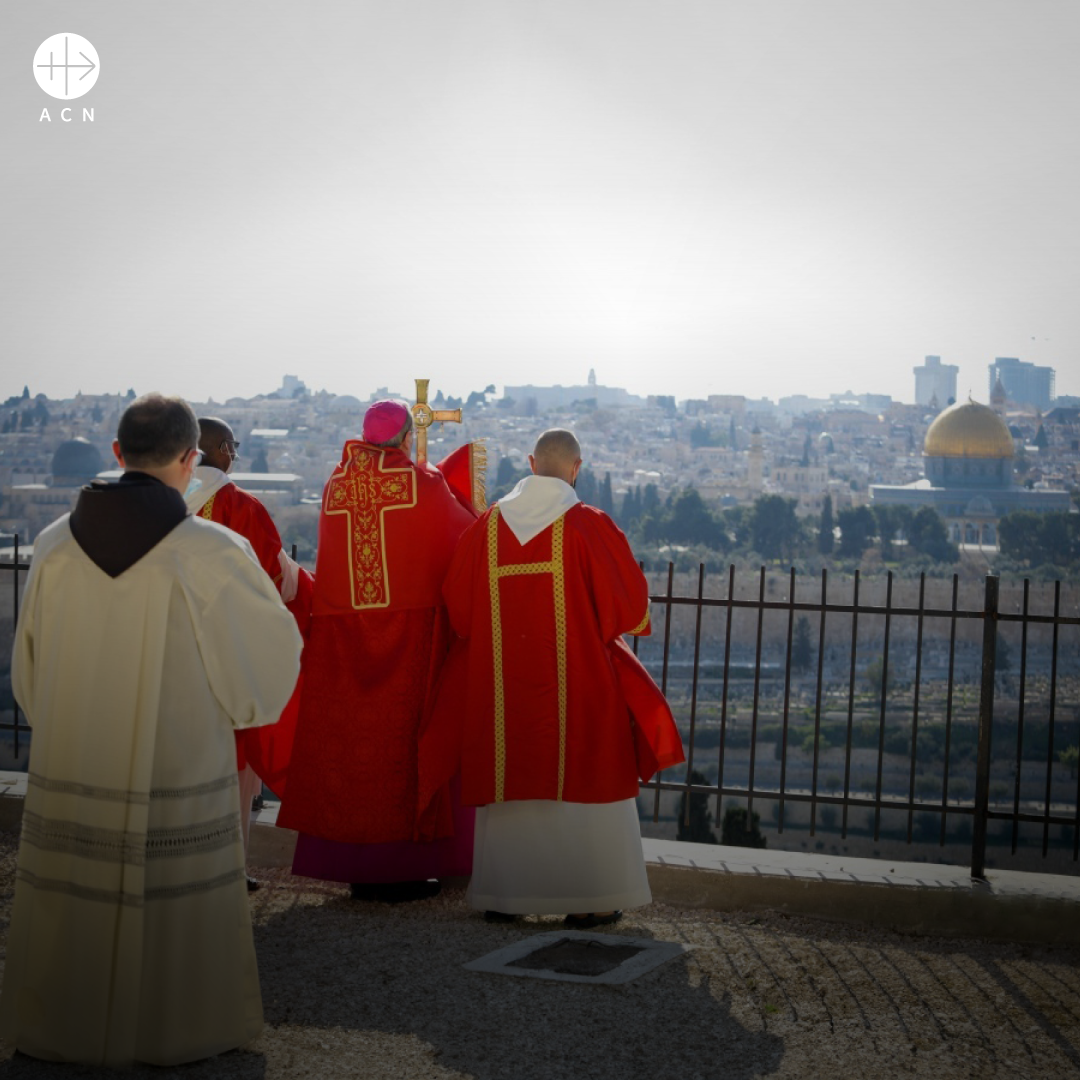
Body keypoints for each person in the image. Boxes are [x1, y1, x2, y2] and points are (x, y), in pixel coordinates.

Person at [0, 394, 303, 1067]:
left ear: (117, 453)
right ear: (190, 458)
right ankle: (176, 1027)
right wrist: (243, 706)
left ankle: (65, 1023)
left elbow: (28, 671)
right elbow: (265, 670)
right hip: (179, 762)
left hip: (76, 763)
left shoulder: (51, 546)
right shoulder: (213, 551)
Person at [419, 428, 684, 926]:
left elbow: (460, 611)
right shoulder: (589, 526)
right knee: (586, 772)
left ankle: (505, 896)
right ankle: (594, 898)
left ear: (529, 463)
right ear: (577, 468)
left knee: (511, 772)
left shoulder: (487, 529)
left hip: (503, 694)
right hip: (580, 685)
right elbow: (629, 607)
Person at [278, 399, 478, 902]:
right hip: (410, 637)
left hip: (344, 640)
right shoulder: (424, 485)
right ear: (407, 438)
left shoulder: (335, 485)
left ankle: (357, 867)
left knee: (353, 752)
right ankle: (401, 867)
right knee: (401, 748)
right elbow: (465, 538)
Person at [186, 416, 311, 888]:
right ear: (221, 449)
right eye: (232, 445)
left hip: (167, 661)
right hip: (228, 661)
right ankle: (225, 869)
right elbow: (277, 580)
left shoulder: (161, 504)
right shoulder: (241, 507)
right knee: (232, 767)